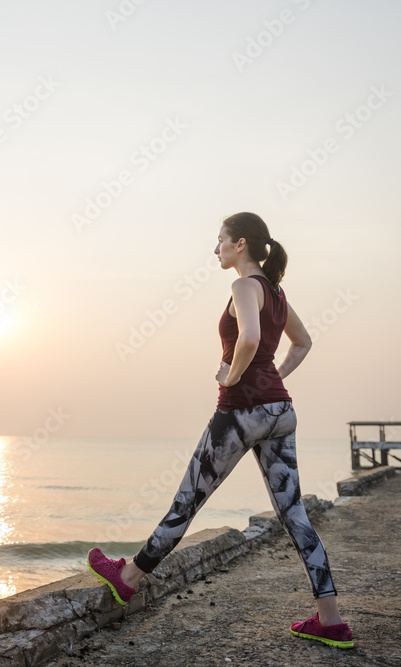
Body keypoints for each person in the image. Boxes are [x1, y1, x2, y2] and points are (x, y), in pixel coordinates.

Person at [87, 212, 354, 649]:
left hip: (239, 413)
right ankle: (332, 620)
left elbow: (248, 339)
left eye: (220, 241)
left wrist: (229, 378)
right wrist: (274, 380)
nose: (216, 249)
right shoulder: (277, 293)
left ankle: (129, 577)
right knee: (296, 516)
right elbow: (302, 342)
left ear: (241, 244)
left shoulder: (244, 286)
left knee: (187, 501)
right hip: (280, 412)